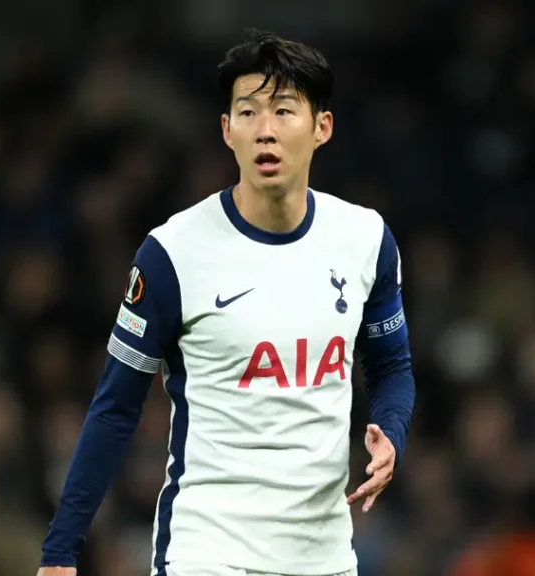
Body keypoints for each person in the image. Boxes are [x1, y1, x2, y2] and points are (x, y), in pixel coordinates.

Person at [38, 30, 416, 576]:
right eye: (248, 113)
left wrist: (391, 433)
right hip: (208, 552)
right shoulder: (172, 253)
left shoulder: (365, 240)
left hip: (324, 557)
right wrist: (59, 552)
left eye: (285, 111)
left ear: (322, 128)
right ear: (227, 130)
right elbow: (115, 407)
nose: (265, 130)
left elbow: (391, 366)